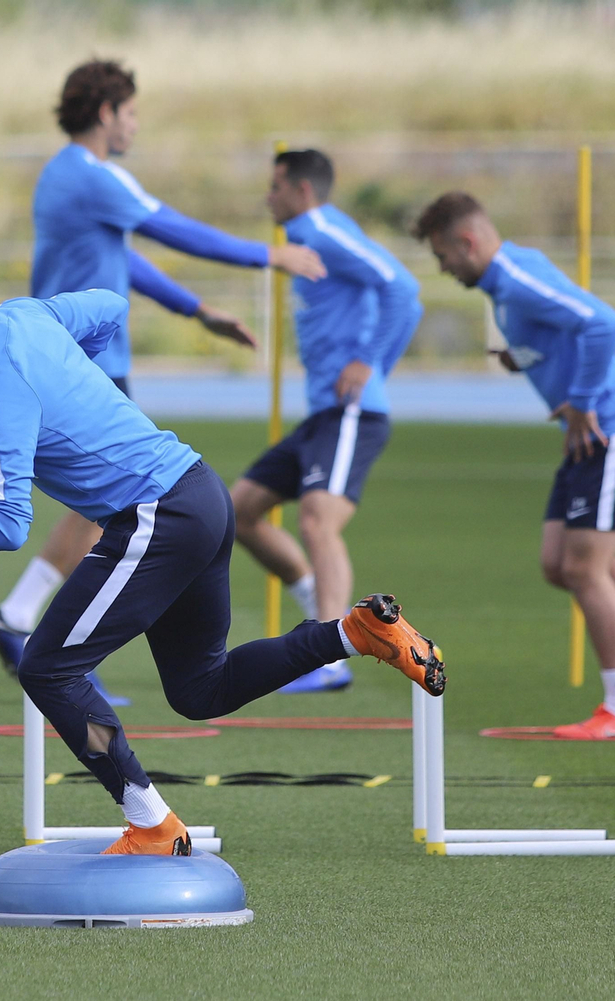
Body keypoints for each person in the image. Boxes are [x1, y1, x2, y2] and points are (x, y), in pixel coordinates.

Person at [0, 248, 443, 855]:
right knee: (200, 690)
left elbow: (7, 525)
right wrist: (75, 380)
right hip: (200, 492)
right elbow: (110, 307)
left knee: (46, 668)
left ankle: (151, 823)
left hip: (158, 517)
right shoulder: (27, 317)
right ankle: (356, 633)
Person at [0, 59, 327, 705]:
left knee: (104, 506)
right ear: (107, 112)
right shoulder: (90, 175)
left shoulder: (69, 178)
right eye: (132, 112)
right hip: (81, 364)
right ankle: (33, 628)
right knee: (122, 502)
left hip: (75, 360)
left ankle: (20, 616)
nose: (136, 124)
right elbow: (172, 227)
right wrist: (270, 254)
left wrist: (196, 310)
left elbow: (123, 258)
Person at [413, 193, 615, 740]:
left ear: (467, 242)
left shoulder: (512, 276)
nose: (443, 269)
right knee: (559, 564)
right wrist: (524, 357)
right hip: (588, 436)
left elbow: (603, 322)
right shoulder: (504, 288)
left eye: (443, 256)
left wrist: (582, 399)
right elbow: (563, 329)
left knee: (585, 569)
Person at [230, 149, 423, 693]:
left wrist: (370, 360)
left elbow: (403, 289)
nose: (268, 197)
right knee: (240, 511)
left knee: (317, 521)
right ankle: (322, 608)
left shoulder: (320, 229)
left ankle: (329, 658)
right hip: (322, 416)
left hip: (353, 412)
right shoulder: (305, 235)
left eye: (275, 187)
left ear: (302, 191)